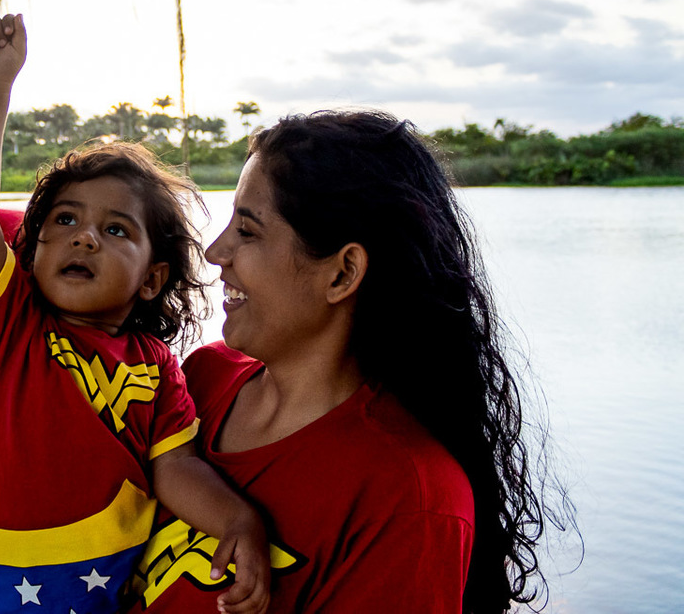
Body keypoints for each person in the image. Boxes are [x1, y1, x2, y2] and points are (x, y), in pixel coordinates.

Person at [125, 111, 573, 613]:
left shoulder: (411, 498)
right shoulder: (201, 380)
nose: (215, 250)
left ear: (342, 274)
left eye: (247, 231)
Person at [0, 14, 269, 614]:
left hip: (104, 588)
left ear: (152, 279)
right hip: (7, 584)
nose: (84, 238)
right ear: (35, 248)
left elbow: (174, 467)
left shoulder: (157, 367)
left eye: (115, 229)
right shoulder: (12, 326)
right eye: (64, 220)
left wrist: (239, 521)